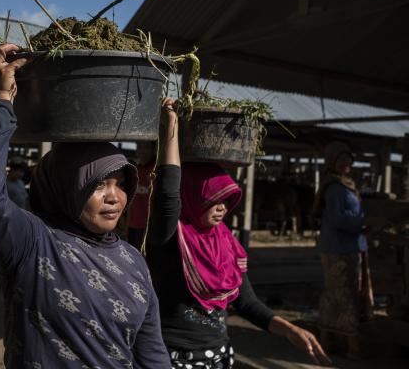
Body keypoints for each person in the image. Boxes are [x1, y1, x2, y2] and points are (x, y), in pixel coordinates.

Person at [0, 43, 170, 368]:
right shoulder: (33, 243)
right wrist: (2, 101)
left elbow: (153, 357)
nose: (114, 196)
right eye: (98, 184)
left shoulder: (133, 262)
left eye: (121, 183)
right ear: (64, 187)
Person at [145, 99, 331, 369]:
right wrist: (171, 125)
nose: (222, 207)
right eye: (213, 198)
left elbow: (247, 303)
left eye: (226, 200)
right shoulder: (169, 237)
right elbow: (167, 189)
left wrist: (290, 329)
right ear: (192, 196)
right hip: (174, 357)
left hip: (219, 356)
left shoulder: (226, 244)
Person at [314, 141, 373, 358]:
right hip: (339, 248)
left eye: (349, 158)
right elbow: (339, 218)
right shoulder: (335, 187)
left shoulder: (345, 184)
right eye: (342, 158)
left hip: (350, 245)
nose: (347, 162)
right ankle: (350, 345)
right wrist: (365, 222)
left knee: (342, 293)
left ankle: (330, 341)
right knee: (344, 294)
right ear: (332, 161)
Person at [126, 141, 156, 250]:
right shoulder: (134, 171)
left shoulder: (156, 172)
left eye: (146, 147)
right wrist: (126, 226)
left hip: (149, 229)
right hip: (132, 227)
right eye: (139, 147)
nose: (142, 151)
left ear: (153, 150)